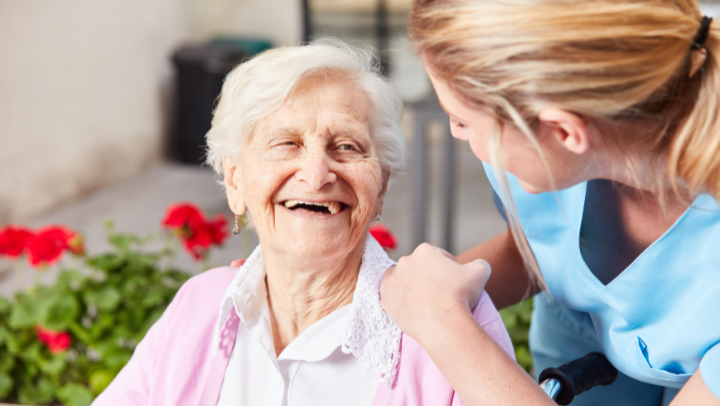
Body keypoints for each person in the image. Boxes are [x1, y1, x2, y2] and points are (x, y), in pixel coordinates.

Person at [92, 40, 513, 406]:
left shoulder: (452, 324)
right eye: (285, 144)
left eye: (347, 146)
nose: (316, 174)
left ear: (381, 185)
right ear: (235, 180)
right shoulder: (199, 307)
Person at [379, 1, 720, 405]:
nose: (455, 132)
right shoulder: (544, 158)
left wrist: (442, 322)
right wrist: (418, 298)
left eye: (463, 121)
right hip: (578, 323)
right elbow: (536, 248)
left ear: (561, 131)